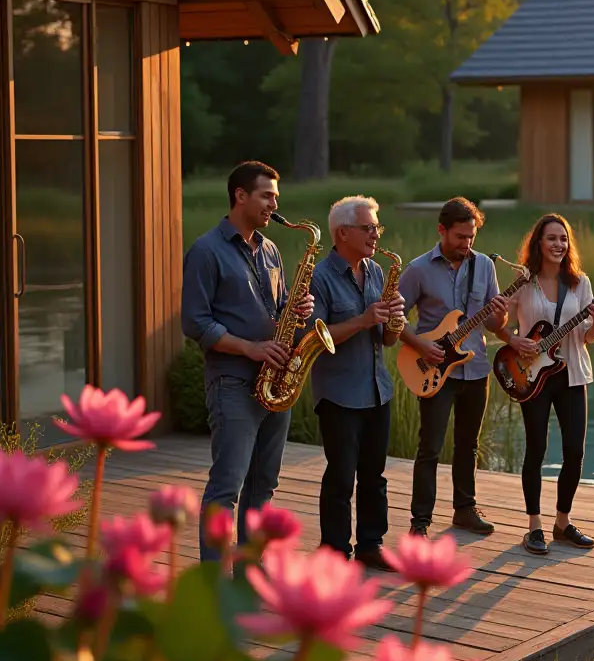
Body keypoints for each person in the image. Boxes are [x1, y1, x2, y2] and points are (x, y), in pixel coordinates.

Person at [181, 160, 314, 560]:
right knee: (226, 488)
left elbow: (275, 307)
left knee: (264, 487)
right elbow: (195, 322)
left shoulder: (270, 248)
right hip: (234, 382)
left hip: (275, 381)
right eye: (267, 196)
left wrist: (296, 307)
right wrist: (250, 347)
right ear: (240, 195)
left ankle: (251, 579)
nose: (274, 204)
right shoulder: (206, 251)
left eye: (276, 196)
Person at [398, 197, 509, 537]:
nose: (467, 244)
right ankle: (420, 523)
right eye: (460, 237)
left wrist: (502, 311)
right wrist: (420, 345)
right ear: (442, 231)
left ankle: (465, 509)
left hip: (475, 369)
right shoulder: (418, 269)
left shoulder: (485, 267)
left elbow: (493, 324)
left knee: (468, 445)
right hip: (433, 369)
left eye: (472, 237)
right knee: (429, 447)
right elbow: (393, 318)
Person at [304, 195, 405, 569]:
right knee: (341, 477)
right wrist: (363, 320)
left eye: (377, 227)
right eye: (369, 228)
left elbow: (388, 339)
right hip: (340, 394)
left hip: (378, 389)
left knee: (374, 476)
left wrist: (393, 321)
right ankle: (333, 550)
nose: (376, 235)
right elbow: (315, 337)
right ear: (342, 232)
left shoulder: (377, 272)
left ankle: (370, 545)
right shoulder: (320, 277)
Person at [502, 213, 594, 556]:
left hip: (572, 374)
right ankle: (534, 527)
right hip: (531, 376)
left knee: (575, 451)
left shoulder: (581, 283)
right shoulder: (523, 281)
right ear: (538, 244)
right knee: (536, 450)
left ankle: (562, 522)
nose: (559, 244)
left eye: (563, 239)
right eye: (551, 238)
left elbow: (589, 336)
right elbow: (497, 321)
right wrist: (514, 341)